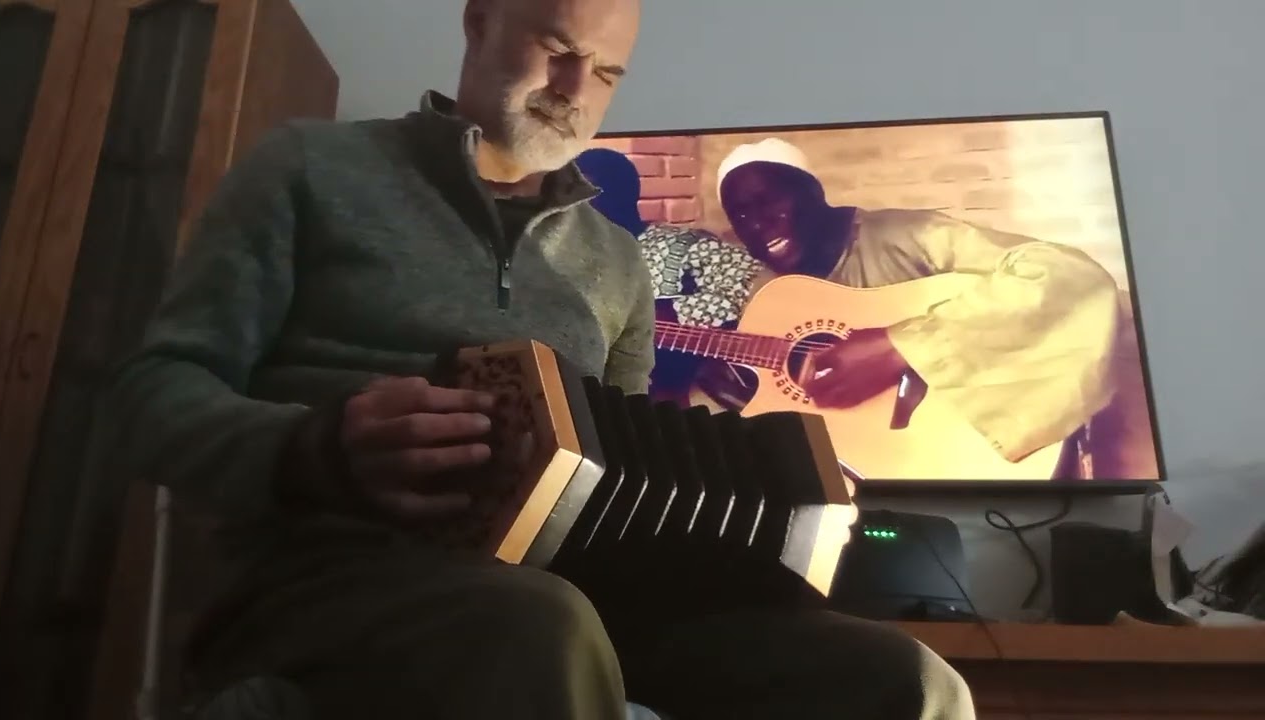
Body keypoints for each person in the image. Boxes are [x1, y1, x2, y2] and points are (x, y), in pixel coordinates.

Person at [106, 0, 975, 718]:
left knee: (907, 683)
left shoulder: (618, 263)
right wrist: (319, 448)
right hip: (323, 578)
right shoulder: (307, 167)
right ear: (478, 23)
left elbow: (631, 491)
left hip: (569, 597)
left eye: (605, 73)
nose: (576, 90)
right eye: (558, 49)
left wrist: (776, 526)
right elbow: (150, 398)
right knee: (540, 624)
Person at [698, 138, 1123, 466]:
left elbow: (1068, 275)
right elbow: (820, 418)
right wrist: (746, 401)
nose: (756, 222)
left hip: (975, 448)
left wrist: (898, 346)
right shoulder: (765, 294)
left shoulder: (913, 236)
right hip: (876, 473)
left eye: (770, 199)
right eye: (739, 214)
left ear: (813, 191)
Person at [575, 147, 764, 405]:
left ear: (626, 194)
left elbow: (750, 288)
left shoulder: (684, 245)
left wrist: (664, 312)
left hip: (684, 398)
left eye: (591, 193)